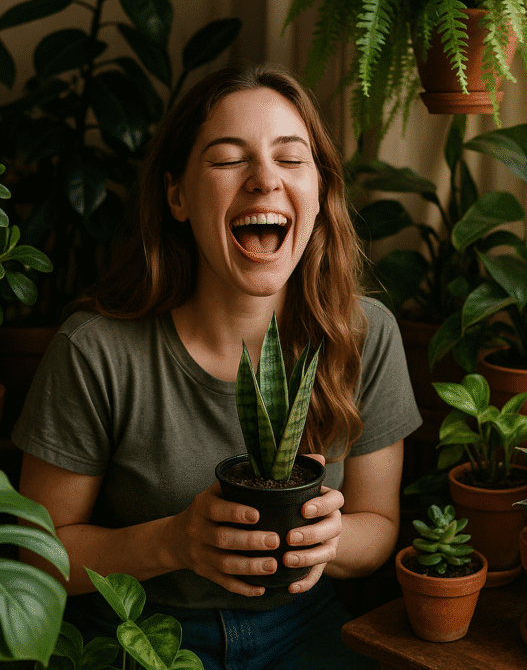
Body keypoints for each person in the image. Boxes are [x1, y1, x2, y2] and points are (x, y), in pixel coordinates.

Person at [13, 61, 422, 670]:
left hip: (304, 631)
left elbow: (378, 525)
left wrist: (330, 540)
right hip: (141, 633)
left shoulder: (365, 335)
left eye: (291, 158)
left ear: (320, 192)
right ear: (176, 195)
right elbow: (40, 558)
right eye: (229, 159)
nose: (264, 180)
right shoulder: (95, 351)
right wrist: (174, 541)